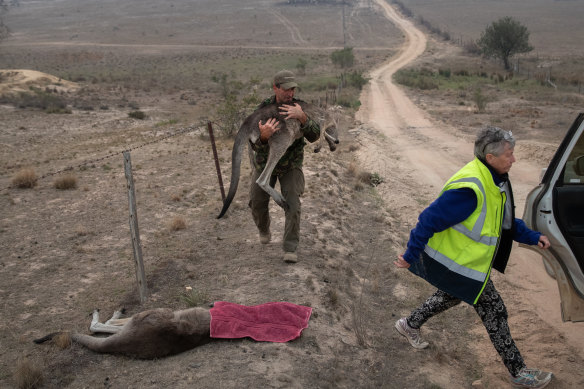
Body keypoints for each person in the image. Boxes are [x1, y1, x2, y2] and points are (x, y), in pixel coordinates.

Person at [393, 126, 554, 388]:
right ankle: (519, 372)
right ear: (490, 158)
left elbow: (503, 221)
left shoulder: (493, 178)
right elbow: (428, 219)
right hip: (460, 265)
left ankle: (408, 324)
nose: (514, 160)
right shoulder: (470, 189)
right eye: (509, 155)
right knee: (495, 310)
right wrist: (411, 255)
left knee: (451, 294)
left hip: (466, 266)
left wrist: (532, 237)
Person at [248, 70, 321, 263]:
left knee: (293, 204)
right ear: (275, 88)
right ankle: (264, 229)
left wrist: (303, 118)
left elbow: (315, 136)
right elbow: (253, 143)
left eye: (293, 89)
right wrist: (264, 136)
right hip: (265, 163)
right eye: (286, 89)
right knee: (256, 202)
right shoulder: (263, 108)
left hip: (291, 164)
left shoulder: (300, 106)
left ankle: (290, 247)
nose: (290, 93)